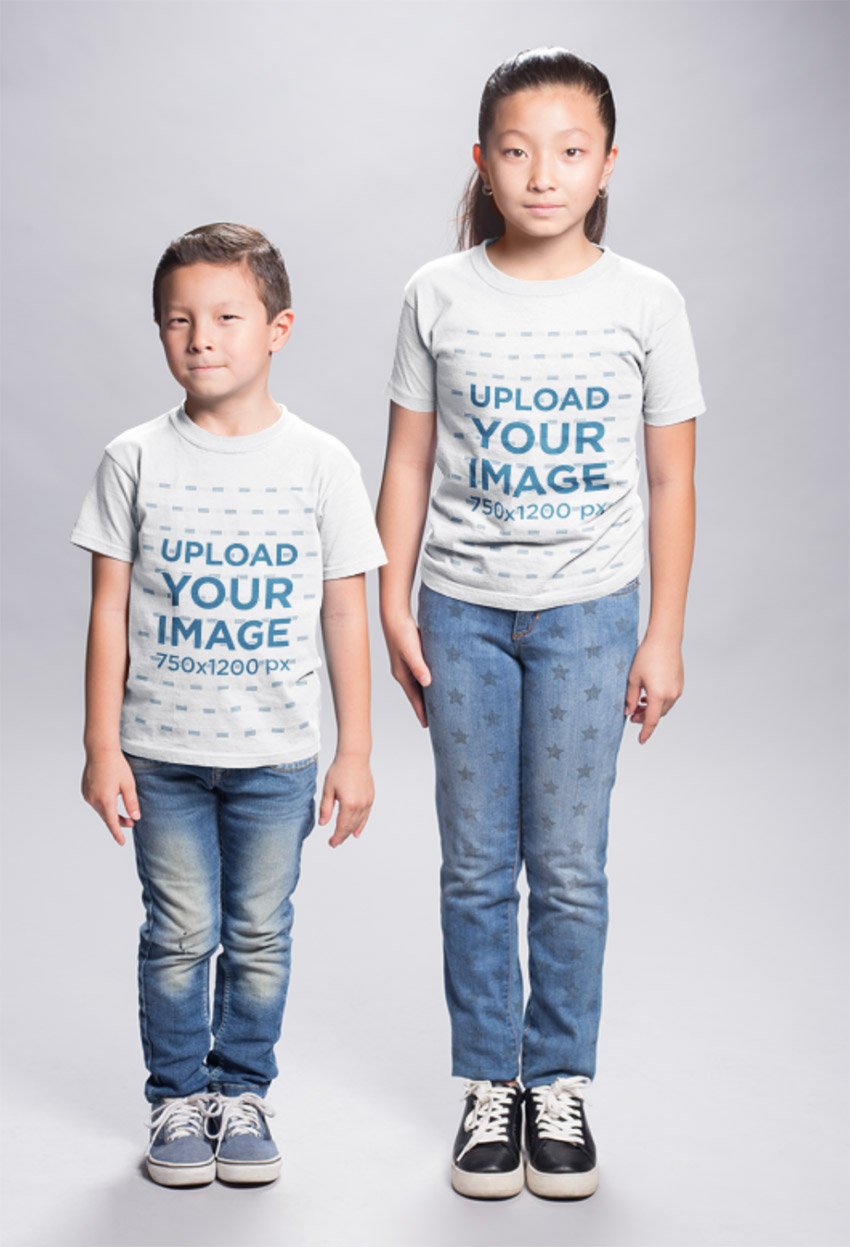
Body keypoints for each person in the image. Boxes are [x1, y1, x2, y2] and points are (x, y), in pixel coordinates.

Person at [377, 47, 705, 1201]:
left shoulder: (645, 302)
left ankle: (556, 1078)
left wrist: (660, 632)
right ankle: (486, 1082)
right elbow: (409, 459)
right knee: (475, 865)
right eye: (516, 150)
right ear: (481, 161)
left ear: (608, 163)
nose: (542, 174)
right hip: (460, 612)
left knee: (566, 865)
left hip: (589, 613)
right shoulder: (438, 292)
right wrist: (388, 594)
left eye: (570, 151)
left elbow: (670, 480)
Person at [71, 222, 387, 1187]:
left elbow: (345, 609)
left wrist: (356, 751)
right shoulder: (134, 457)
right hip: (159, 752)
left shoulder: (321, 461)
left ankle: (241, 1088)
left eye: (224, 317)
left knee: (258, 930)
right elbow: (109, 611)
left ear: (278, 327)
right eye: (178, 320)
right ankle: (176, 1098)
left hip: (278, 757)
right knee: (177, 931)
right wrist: (99, 745)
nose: (200, 338)